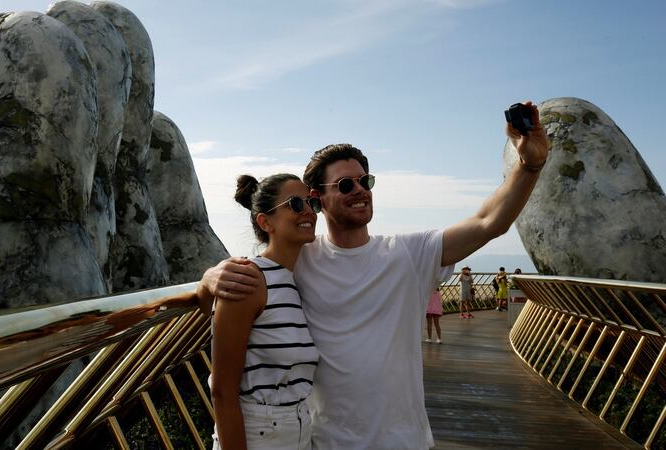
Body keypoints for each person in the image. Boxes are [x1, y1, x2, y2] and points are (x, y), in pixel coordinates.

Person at [196, 101, 550, 449]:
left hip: (403, 441)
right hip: (323, 443)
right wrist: (210, 278)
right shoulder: (301, 259)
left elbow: (489, 222)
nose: (361, 190)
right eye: (346, 185)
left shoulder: (409, 253)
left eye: (365, 181)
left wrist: (529, 166)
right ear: (318, 199)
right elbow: (255, 274)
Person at [209, 173, 321, 450]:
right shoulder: (249, 279)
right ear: (265, 221)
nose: (308, 211)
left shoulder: (299, 276)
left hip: (299, 429)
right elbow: (222, 391)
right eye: (296, 204)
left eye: (312, 203)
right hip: (259, 433)